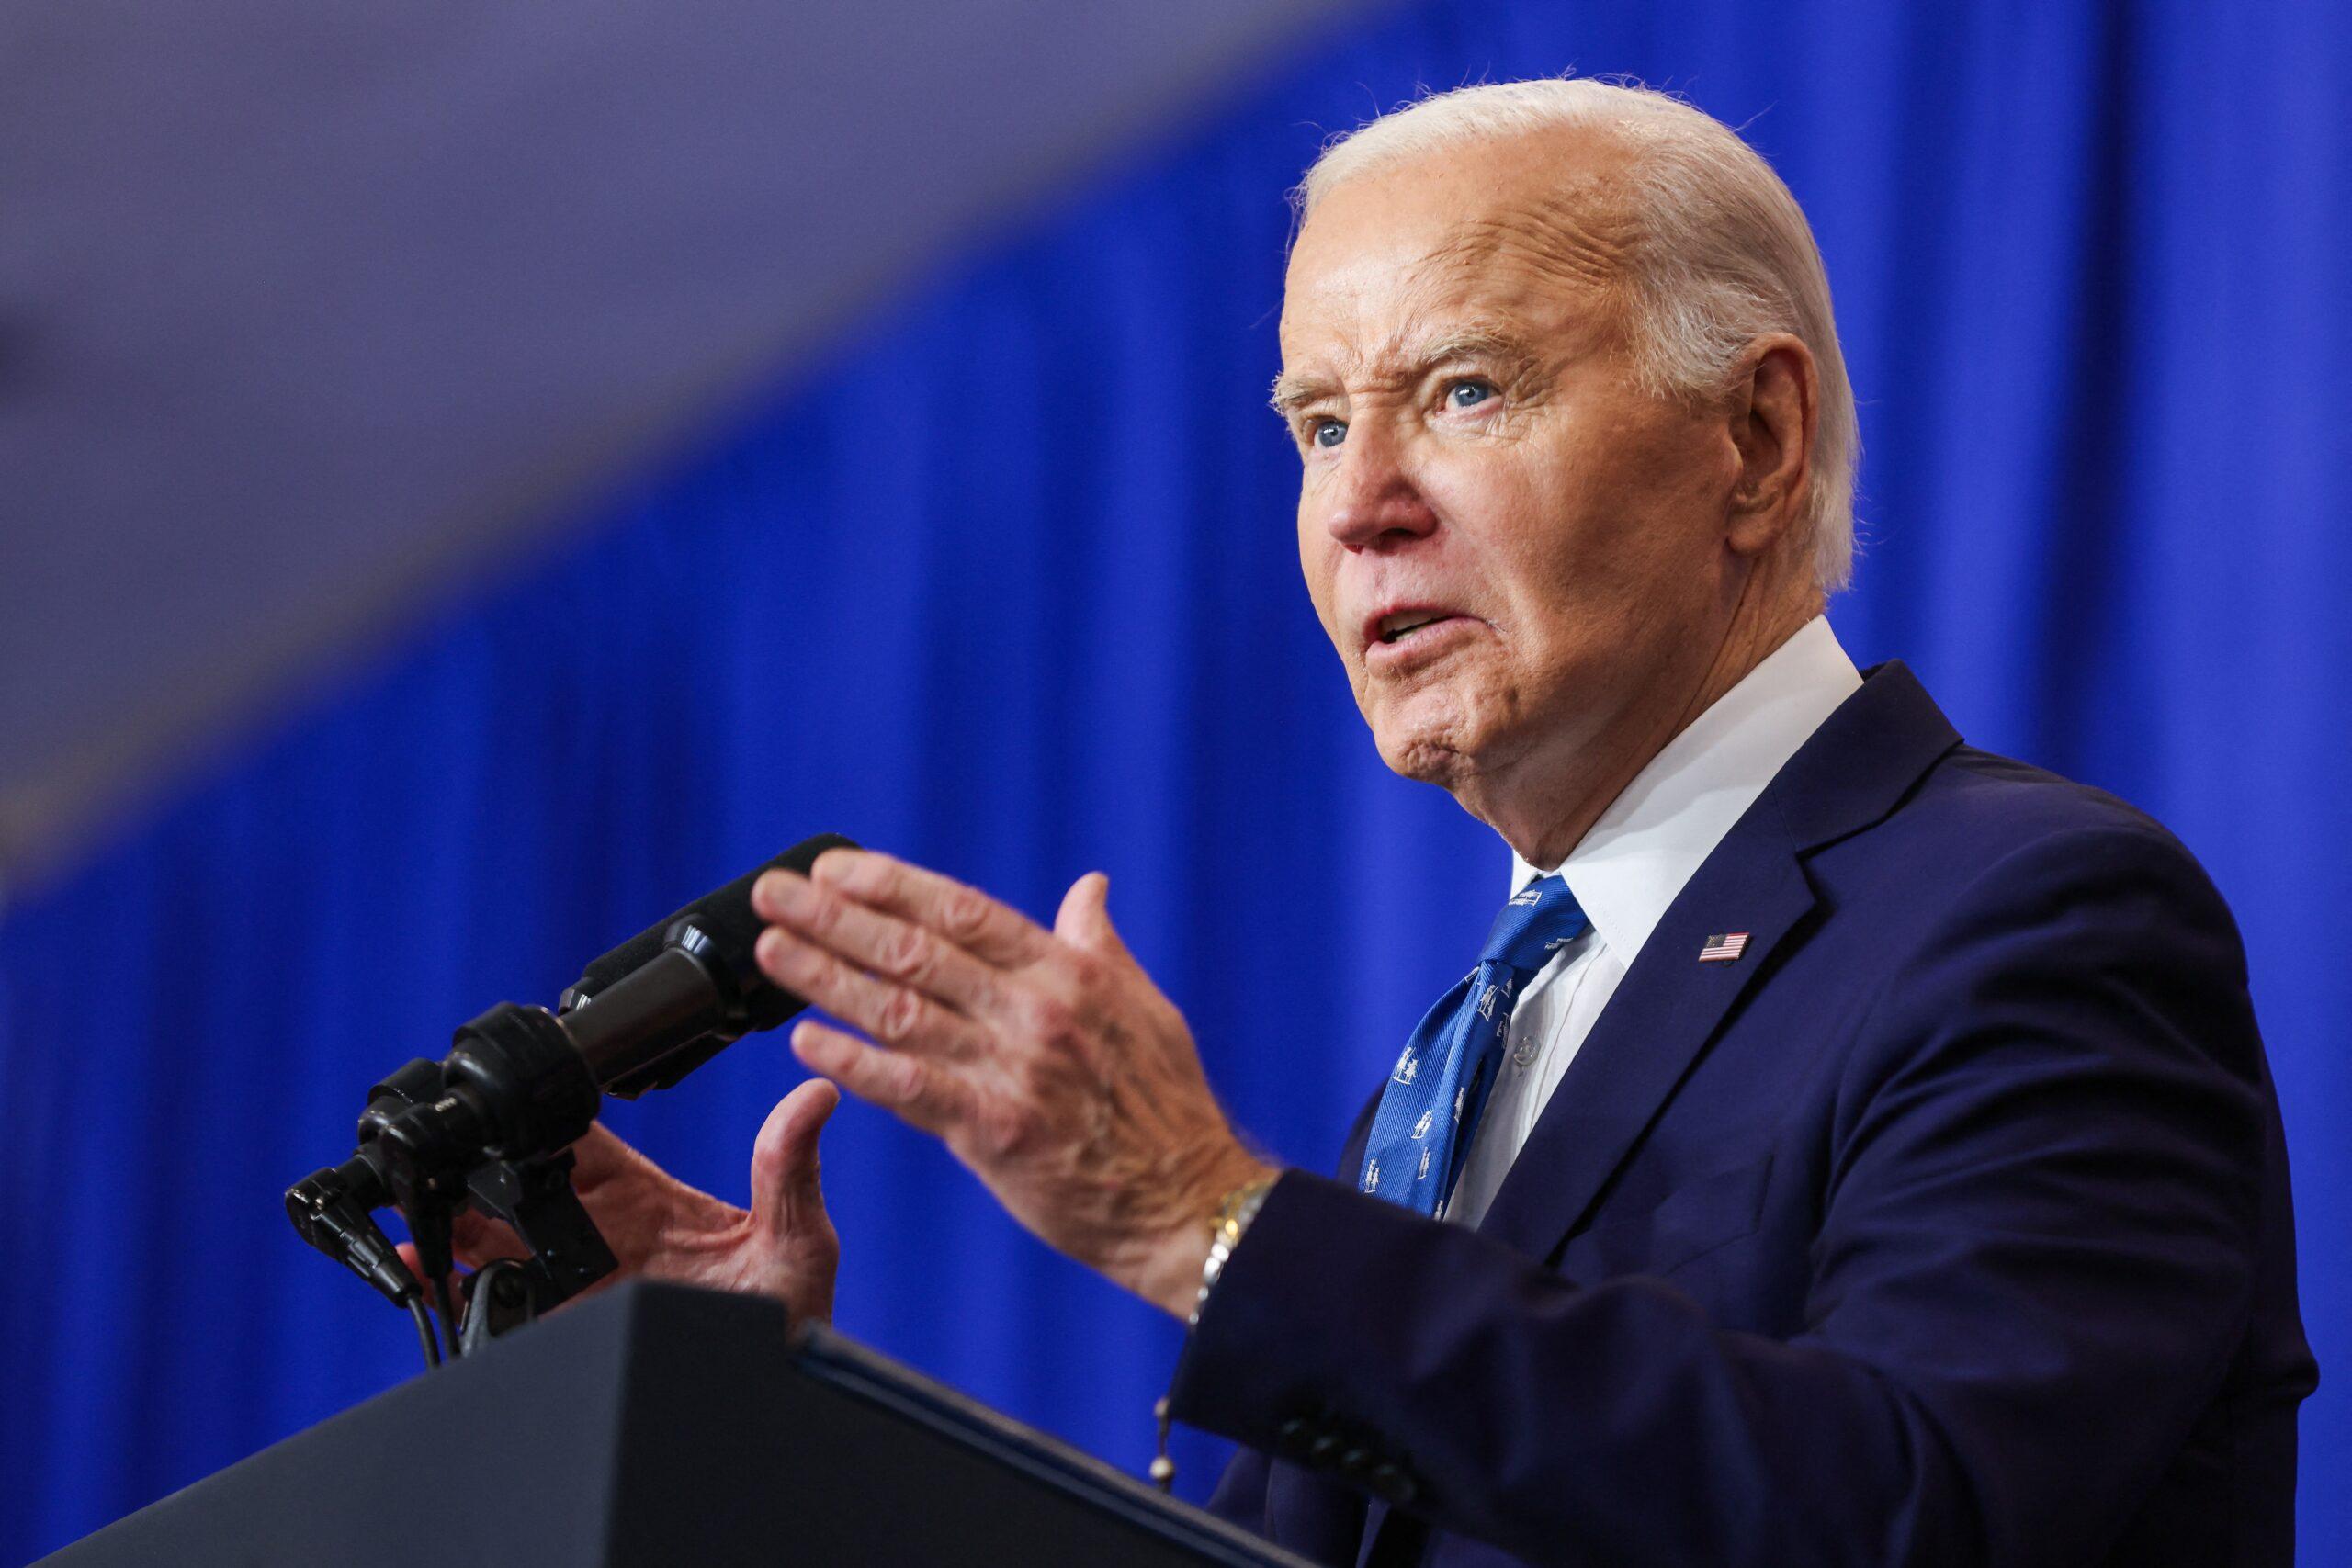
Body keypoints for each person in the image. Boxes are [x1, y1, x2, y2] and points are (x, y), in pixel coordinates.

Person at [429, 79, 2316, 1565]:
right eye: (1316, 425)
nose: (1358, 506)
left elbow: (1915, 1512)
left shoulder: (2022, 915)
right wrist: (751, 1427)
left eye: (1463, 390)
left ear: (1750, 440)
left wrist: (1202, 1220)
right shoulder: (1459, 1069)